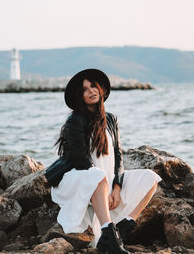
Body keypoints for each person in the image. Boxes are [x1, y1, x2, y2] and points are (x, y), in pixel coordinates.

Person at [50, 69, 161, 254]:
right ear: (80, 96)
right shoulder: (74, 121)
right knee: (97, 174)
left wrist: (116, 188)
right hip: (80, 180)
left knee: (151, 178)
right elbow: (80, 159)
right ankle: (108, 234)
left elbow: (118, 155)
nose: (91, 91)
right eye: (85, 89)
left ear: (101, 89)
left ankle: (124, 227)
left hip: (105, 180)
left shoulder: (110, 119)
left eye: (93, 86)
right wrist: (101, 183)